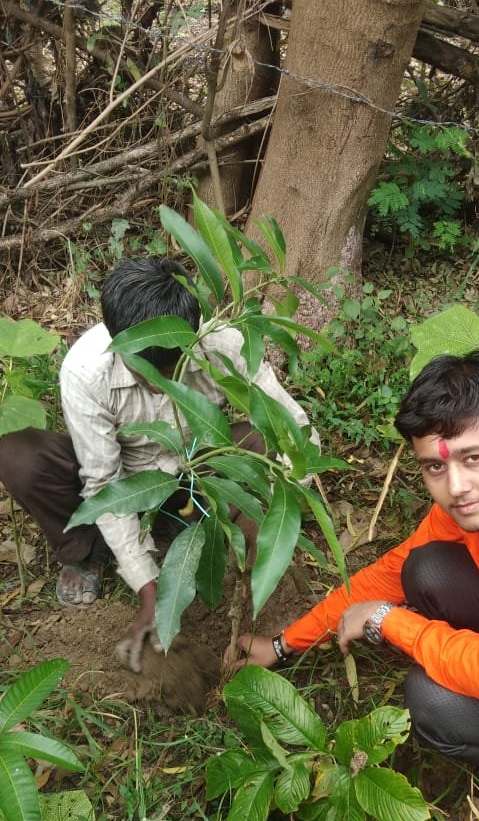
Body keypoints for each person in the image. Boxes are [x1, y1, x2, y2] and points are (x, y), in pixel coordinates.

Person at [230, 348, 479, 821]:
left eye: (474, 458)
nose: (457, 487)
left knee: (434, 702)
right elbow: (390, 574)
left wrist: (394, 623)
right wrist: (283, 644)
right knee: (425, 567)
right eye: (436, 467)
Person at [0, 257, 318, 671]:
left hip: (200, 474)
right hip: (129, 481)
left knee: (261, 439)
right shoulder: (85, 371)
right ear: (118, 344)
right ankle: (85, 551)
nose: (161, 381)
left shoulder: (223, 344)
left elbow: (297, 432)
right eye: (146, 369)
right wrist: (150, 590)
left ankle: (220, 544)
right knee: (20, 457)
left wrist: (276, 520)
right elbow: (103, 480)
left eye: (173, 367)